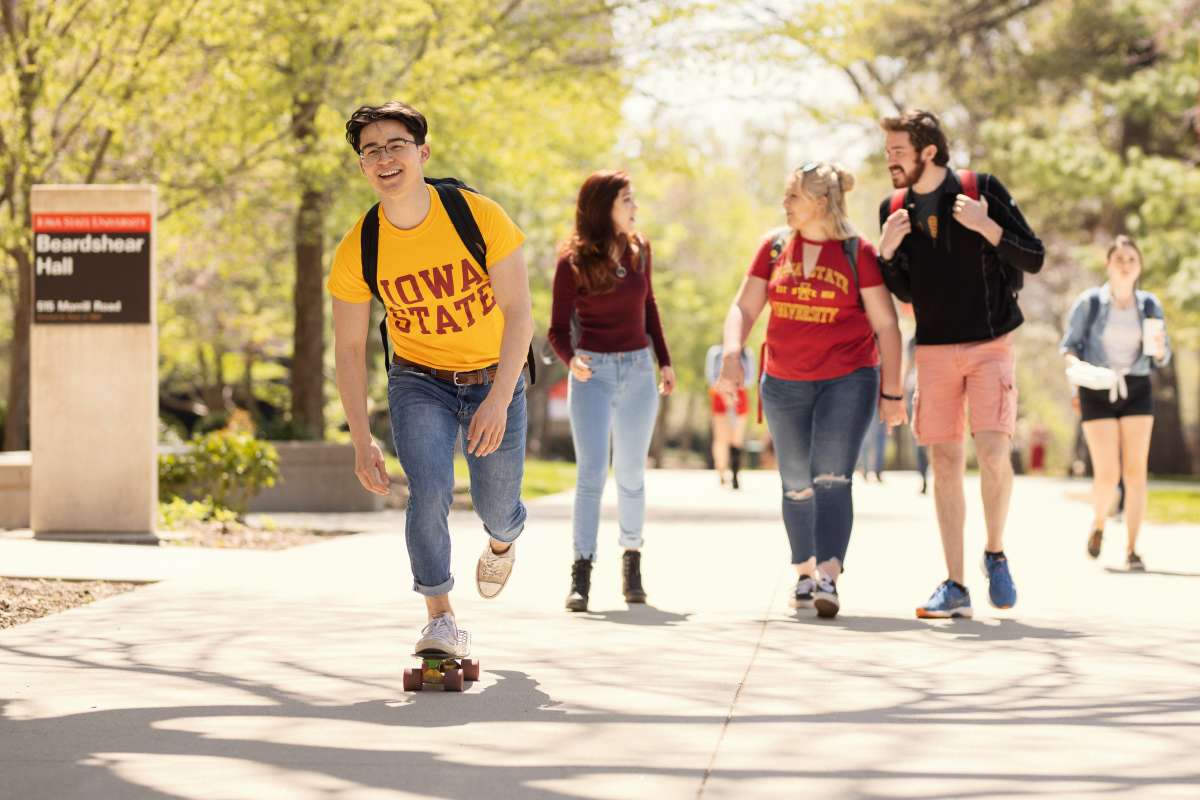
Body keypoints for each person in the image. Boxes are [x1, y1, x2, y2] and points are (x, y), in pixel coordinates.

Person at [328, 102, 533, 657]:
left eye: (395, 145)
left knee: (497, 507)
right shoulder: (358, 248)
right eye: (370, 151)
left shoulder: (477, 214)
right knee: (429, 490)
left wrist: (496, 399)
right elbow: (348, 349)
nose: (383, 158)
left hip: (495, 374)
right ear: (362, 167)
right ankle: (439, 617)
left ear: (423, 152)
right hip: (419, 379)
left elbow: (520, 314)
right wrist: (359, 437)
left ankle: (502, 540)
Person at [718, 161, 906, 619]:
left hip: (848, 379)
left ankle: (828, 575)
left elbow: (887, 324)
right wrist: (730, 351)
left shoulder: (856, 253)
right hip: (783, 382)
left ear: (820, 203)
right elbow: (743, 307)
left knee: (832, 477)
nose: (785, 204)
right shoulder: (774, 246)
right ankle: (802, 571)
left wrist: (893, 393)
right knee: (796, 481)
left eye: (792, 196)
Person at [877, 109, 1044, 619]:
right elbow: (904, 288)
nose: (890, 162)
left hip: (991, 343)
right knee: (944, 462)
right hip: (932, 349)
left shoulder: (982, 189)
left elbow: (1033, 257)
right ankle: (955, 584)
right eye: (887, 153)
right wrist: (886, 252)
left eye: (898, 152)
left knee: (994, 453)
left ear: (929, 151)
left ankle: (995, 552)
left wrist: (987, 226)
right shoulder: (893, 207)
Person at [548, 170, 675, 613]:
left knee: (631, 475)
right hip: (592, 375)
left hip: (639, 370)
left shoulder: (641, 250)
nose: (635, 208)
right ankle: (581, 573)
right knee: (591, 476)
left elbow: (650, 307)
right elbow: (557, 330)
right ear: (604, 207)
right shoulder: (572, 262)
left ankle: (632, 565)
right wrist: (572, 361)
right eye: (627, 200)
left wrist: (665, 360)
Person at [1060, 235, 1170, 571]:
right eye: (1119, 259)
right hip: (1097, 388)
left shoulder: (1149, 305)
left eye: (1131, 259)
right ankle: (1099, 524)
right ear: (1108, 264)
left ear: (1139, 267)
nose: (1125, 264)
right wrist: (1077, 371)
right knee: (1107, 474)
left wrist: (1162, 350)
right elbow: (1069, 347)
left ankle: (1133, 548)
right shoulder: (1089, 303)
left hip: (1136, 386)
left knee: (1136, 471)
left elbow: (1160, 357)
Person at [705, 343, 753, 489]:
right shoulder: (716, 352)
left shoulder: (747, 354)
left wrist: (736, 389)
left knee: (737, 438)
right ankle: (721, 470)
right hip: (720, 396)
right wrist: (724, 393)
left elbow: (750, 377)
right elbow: (710, 376)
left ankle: (735, 474)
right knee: (721, 438)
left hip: (740, 396)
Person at [903, 335, 930, 494]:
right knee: (919, 437)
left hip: (930, 387)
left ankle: (927, 475)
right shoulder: (912, 341)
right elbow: (908, 366)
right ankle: (924, 476)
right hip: (916, 389)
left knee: (924, 438)